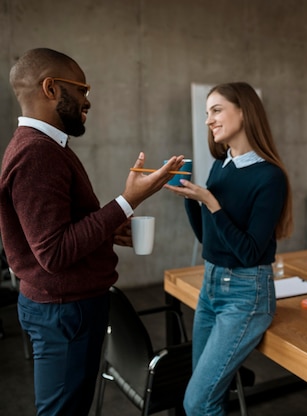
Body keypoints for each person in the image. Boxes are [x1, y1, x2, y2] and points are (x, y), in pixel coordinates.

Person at [0, 48, 185, 415]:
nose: (89, 100)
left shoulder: (45, 147)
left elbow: (52, 232)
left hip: (64, 308)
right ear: (51, 88)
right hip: (65, 313)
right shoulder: (38, 153)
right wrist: (128, 201)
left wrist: (105, 230)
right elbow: (52, 253)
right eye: (82, 89)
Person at [165, 82, 293, 416]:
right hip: (210, 286)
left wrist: (210, 200)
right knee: (207, 395)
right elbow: (209, 241)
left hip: (245, 295)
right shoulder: (220, 166)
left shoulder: (270, 177)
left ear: (244, 111)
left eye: (216, 110)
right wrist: (191, 200)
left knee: (197, 402)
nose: (209, 120)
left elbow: (249, 251)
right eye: (207, 113)